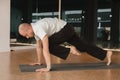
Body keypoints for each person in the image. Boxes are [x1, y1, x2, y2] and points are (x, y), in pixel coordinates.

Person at [18, 17, 112, 72]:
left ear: (29, 28)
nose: (27, 37)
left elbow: (45, 48)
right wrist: (39, 61)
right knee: (83, 46)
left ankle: (70, 49)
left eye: (26, 34)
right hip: (67, 29)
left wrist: (48, 67)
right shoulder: (35, 31)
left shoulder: (38, 28)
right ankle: (106, 53)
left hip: (65, 30)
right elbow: (38, 47)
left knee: (46, 44)